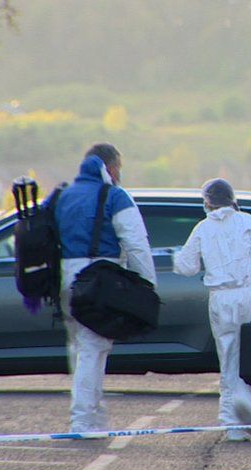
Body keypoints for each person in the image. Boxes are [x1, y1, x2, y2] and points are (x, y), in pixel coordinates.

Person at [52, 143, 156, 433]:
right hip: (99, 280)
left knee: (80, 346)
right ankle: (83, 418)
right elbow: (136, 243)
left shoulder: (64, 196)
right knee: (93, 348)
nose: (119, 173)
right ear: (109, 167)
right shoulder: (114, 196)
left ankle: (93, 415)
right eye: (119, 167)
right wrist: (147, 283)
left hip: (65, 278)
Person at [173, 178, 251, 442]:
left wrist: (176, 255)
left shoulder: (202, 228)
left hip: (220, 299)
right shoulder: (248, 222)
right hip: (249, 294)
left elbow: (186, 267)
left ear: (207, 201)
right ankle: (247, 403)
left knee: (228, 357)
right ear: (233, 198)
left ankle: (231, 424)